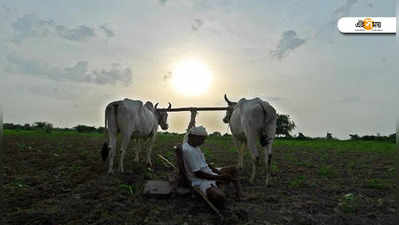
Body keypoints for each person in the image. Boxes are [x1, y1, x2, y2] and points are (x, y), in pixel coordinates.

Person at [182, 125, 246, 209]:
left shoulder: (195, 147)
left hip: (208, 173)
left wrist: (217, 171)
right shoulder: (188, 150)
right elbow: (198, 174)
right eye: (201, 139)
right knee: (219, 197)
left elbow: (205, 163)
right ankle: (220, 188)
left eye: (203, 139)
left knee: (233, 169)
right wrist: (218, 177)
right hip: (200, 181)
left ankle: (240, 195)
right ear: (192, 137)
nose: (203, 142)